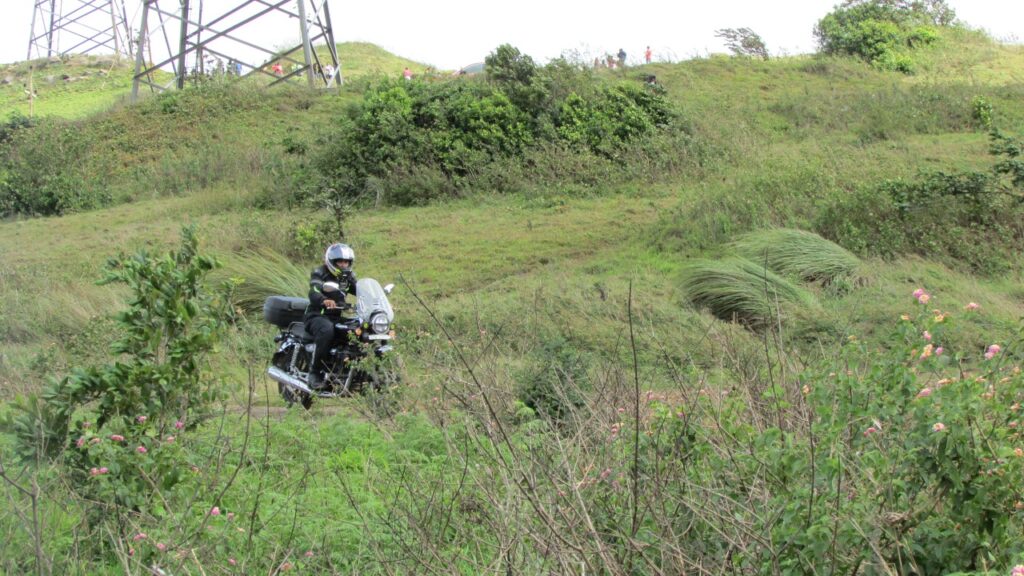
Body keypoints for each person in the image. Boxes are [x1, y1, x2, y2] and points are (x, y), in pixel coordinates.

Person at [303, 243, 357, 389]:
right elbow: (313, 291)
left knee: (357, 331)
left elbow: (360, 290)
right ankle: (315, 373)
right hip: (316, 316)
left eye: (346, 262)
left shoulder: (348, 277)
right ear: (332, 262)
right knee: (327, 330)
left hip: (336, 317)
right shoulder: (320, 272)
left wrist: (376, 301)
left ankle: (348, 370)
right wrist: (323, 300)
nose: (343, 265)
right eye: (340, 261)